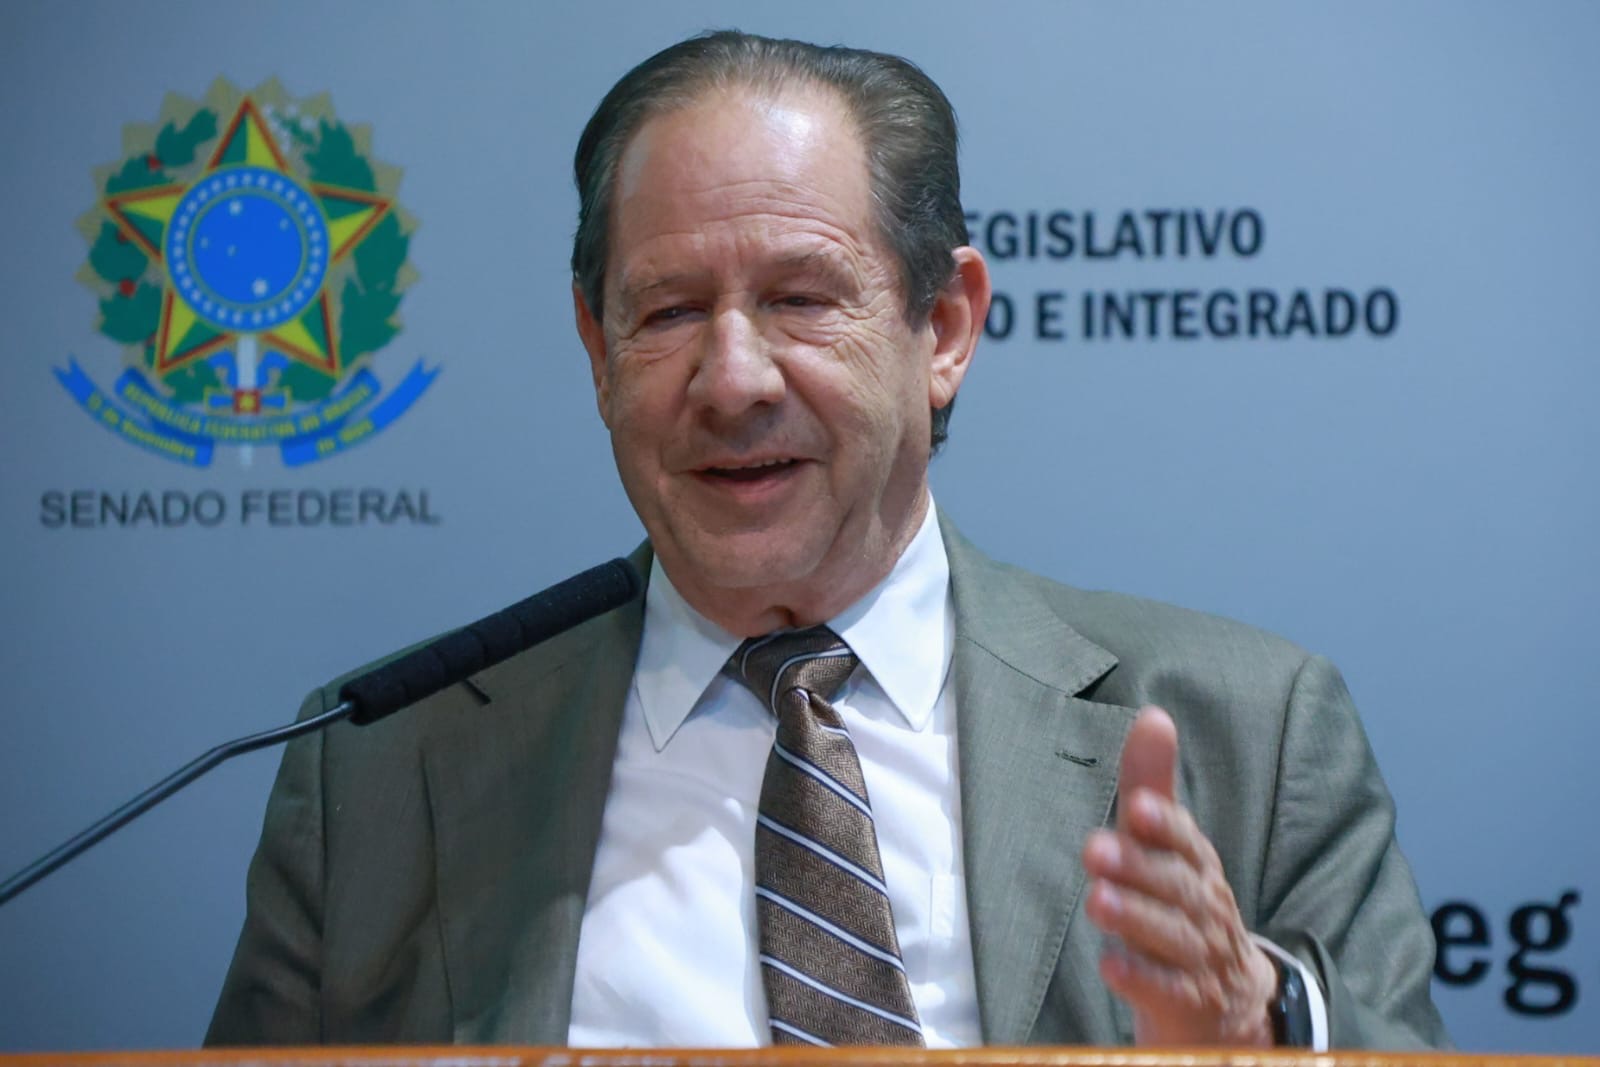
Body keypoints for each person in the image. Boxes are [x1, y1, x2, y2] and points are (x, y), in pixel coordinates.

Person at [207, 31, 1447, 1050]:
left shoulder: (1249, 728)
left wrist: (1259, 1028)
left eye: (800, 299)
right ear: (596, 348)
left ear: (943, 327)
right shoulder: (381, 765)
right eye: (668, 311)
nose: (731, 378)